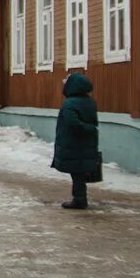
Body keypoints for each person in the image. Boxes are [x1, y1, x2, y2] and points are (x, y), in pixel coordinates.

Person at [51, 72, 100, 210]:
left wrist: (83, 128)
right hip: (86, 142)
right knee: (80, 171)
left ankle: (79, 200)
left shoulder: (69, 103)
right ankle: (80, 198)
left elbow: (73, 123)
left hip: (73, 143)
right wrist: (90, 129)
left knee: (77, 172)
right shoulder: (90, 101)